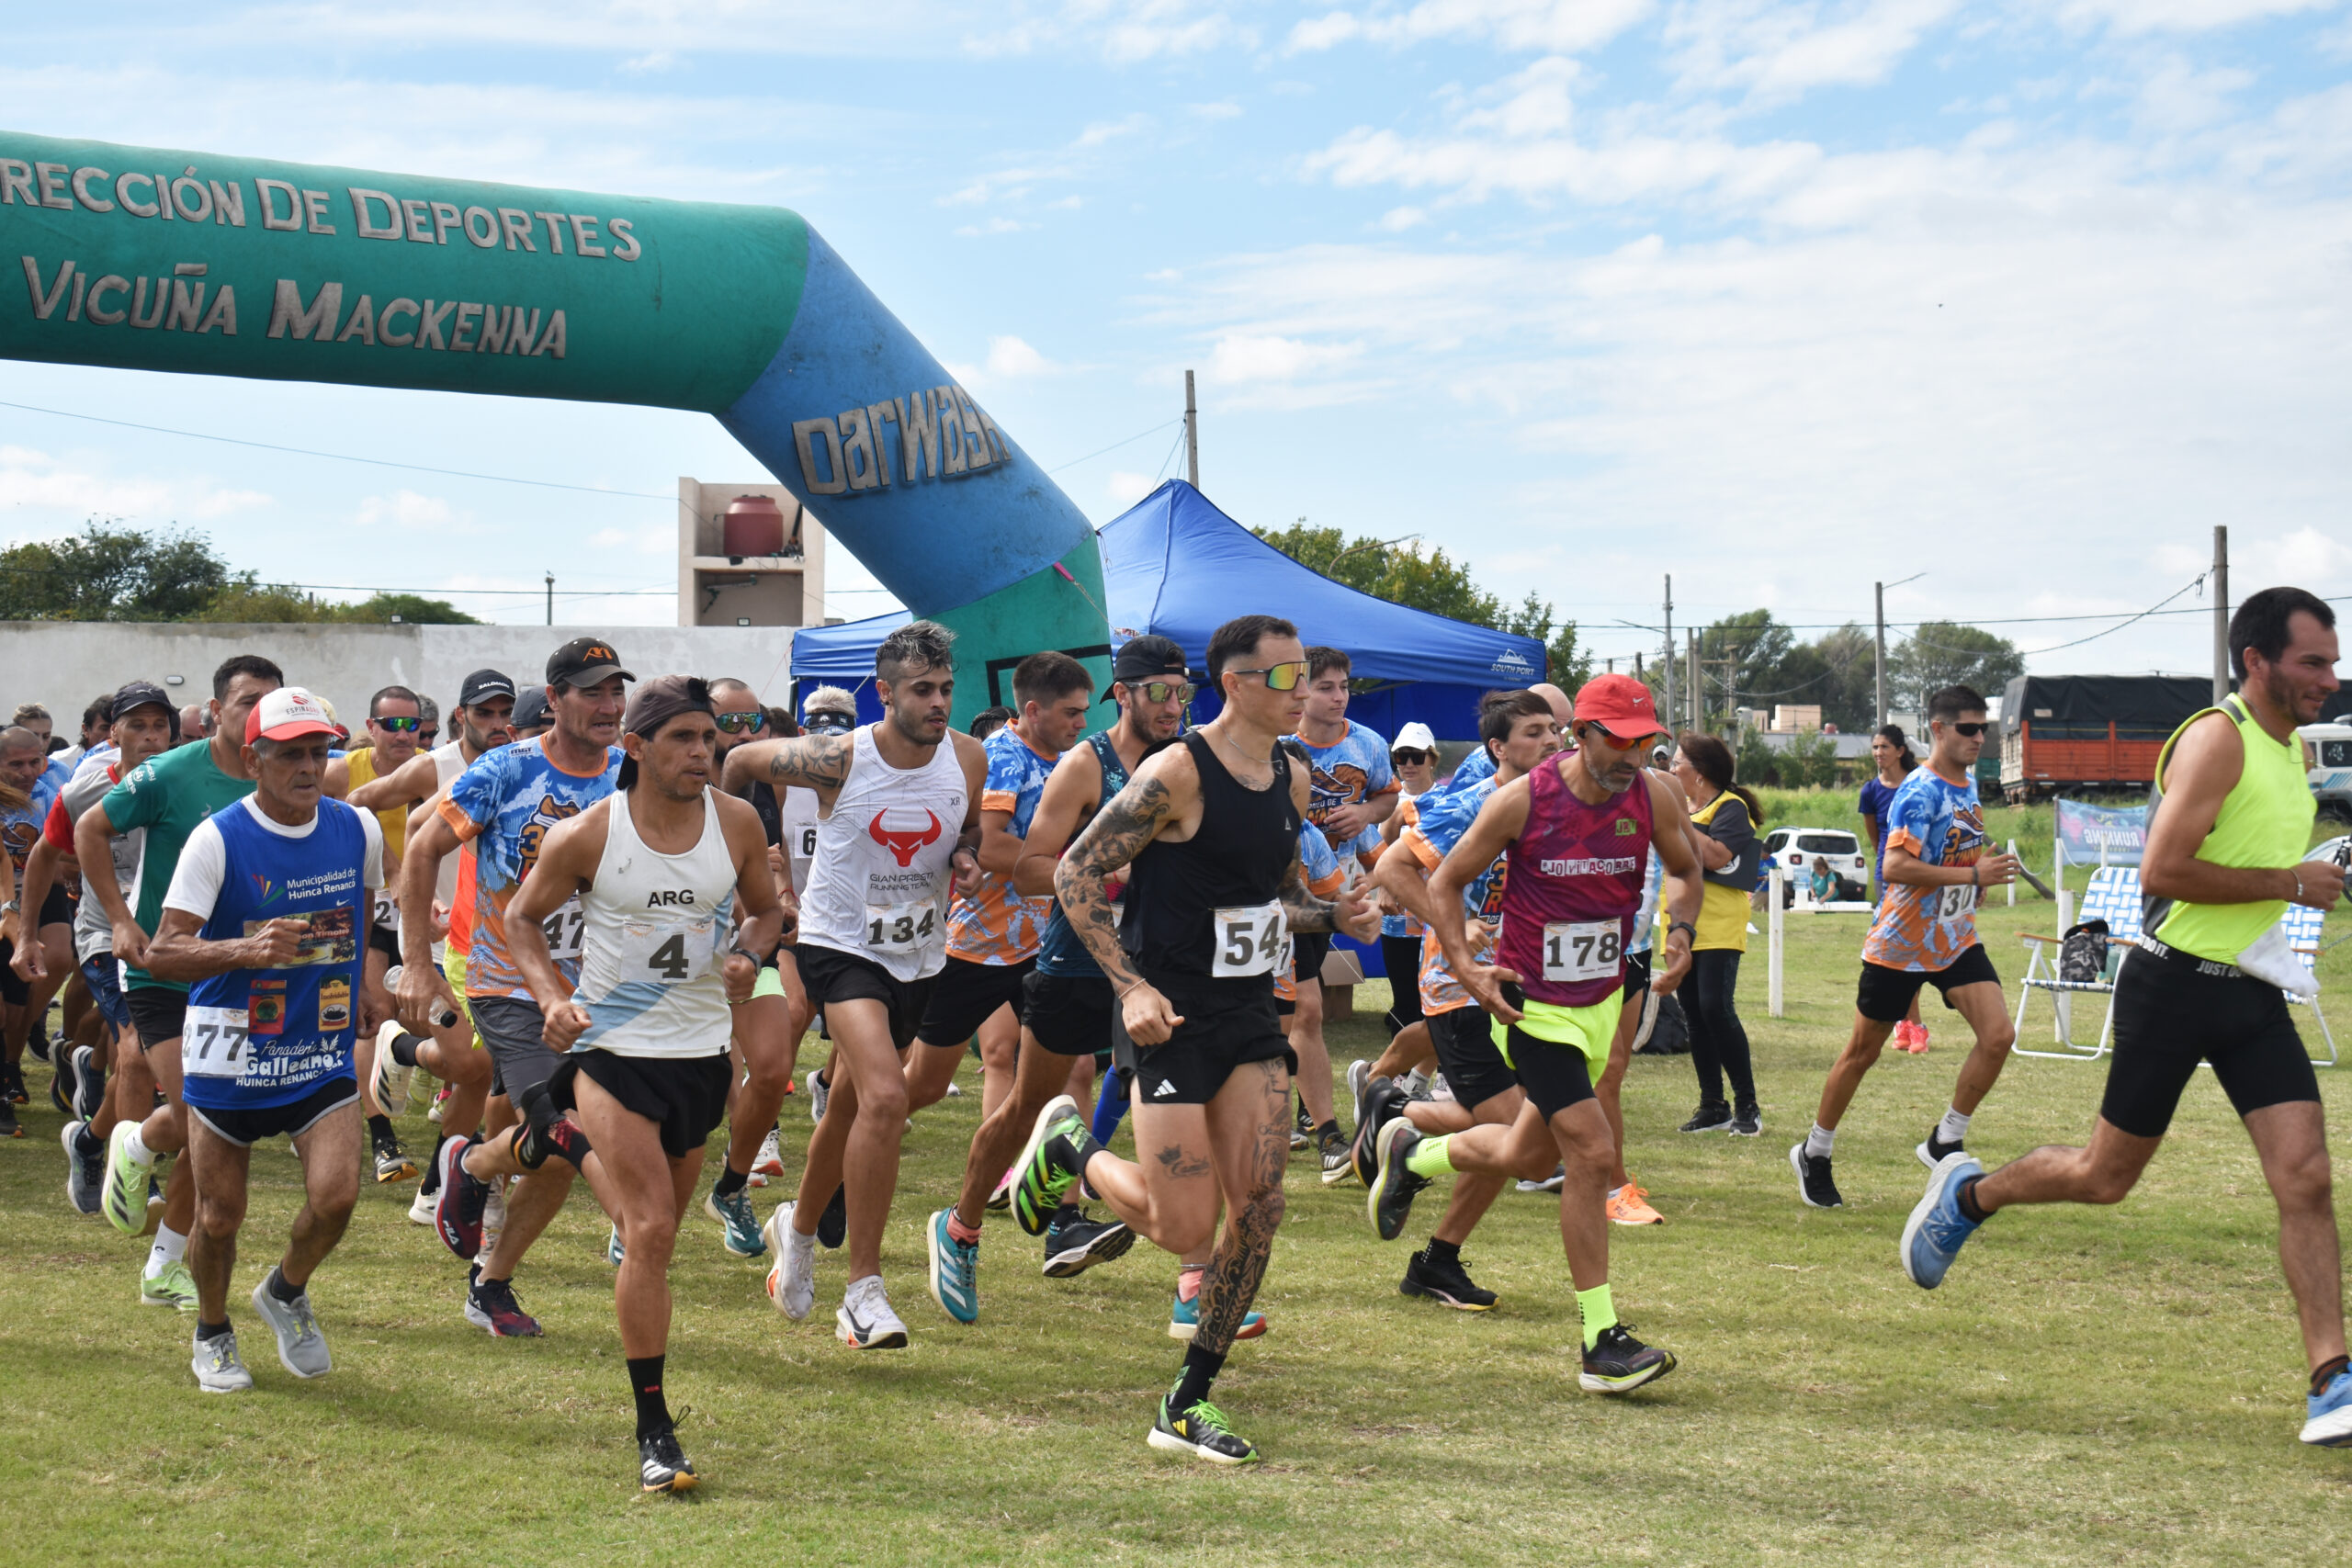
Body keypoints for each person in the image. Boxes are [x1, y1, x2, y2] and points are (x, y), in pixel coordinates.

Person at [1903, 589, 2352, 1450]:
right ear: (2257, 661)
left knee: (2307, 1179)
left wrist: (2300, 874)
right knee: (2105, 1176)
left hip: (2250, 993)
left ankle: (2330, 1379)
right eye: (2313, 663)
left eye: (2332, 661)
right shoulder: (2218, 739)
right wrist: (2290, 883)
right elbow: (2167, 868)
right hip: (2172, 986)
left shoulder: (2289, 749)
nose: (2330, 678)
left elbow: (2252, 854)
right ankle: (1971, 1191)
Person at [1014, 614, 1380, 1465]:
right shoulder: (1178, 772)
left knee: (1259, 1208)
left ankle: (1187, 1399)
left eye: (1308, 676)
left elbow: (1268, 901)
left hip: (1251, 1016)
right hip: (1168, 1017)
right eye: (1285, 678)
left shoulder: (1291, 776)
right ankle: (1070, 1144)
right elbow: (1073, 870)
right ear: (1237, 684)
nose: (1304, 693)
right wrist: (1130, 985)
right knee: (1185, 1222)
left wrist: (1333, 914)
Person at [1365, 672, 1703, 1396]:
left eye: (1646, 743)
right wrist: (1466, 964)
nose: (1633, 757)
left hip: (1601, 997)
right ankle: (1600, 1337)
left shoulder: (1653, 794)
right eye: (1619, 742)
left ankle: (1413, 1150)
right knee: (1591, 1150)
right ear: (1580, 733)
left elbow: (1683, 867)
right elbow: (1447, 882)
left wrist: (1684, 930)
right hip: (1531, 1004)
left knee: (1528, 1151)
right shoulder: (1519, 800)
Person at [503, 675, 785, 1492]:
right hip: (613, 1049)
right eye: (685, 739)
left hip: (701, 1058)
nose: (704, 752)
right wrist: (553, 997)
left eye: (709, 737)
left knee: (651, 1235)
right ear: (635, 747)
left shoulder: (735, 822)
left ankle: (546, 1134)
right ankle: (655, 1428)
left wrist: (751, 955)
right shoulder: (590, 834)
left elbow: (768, 912)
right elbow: (521, 918)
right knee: (652, 1227)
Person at [729, 620, 985, 1348]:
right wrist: (739, 859)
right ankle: (864, 1291)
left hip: (918, 956)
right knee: (884, 1094)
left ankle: (798, 1230)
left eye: (945, 689)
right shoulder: (838, 756)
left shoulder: (967, 757)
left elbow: (964, 833)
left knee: (846, 1106)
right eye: (922, 690)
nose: (938, 703)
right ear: (886, 693)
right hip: (839, 945)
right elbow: (742, 757)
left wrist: (964, 857)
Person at [143, 687, 384, 1393]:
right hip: (232, 1049)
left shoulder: (356, 828)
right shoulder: (217, 837)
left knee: (337, 1197)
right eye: (291, 755)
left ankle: (284, 1289)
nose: (310, 767)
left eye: (320, 751)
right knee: (219, 1218)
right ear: (254, 759)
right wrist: (246, 953)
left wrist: (369, 979)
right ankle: (212, 1330)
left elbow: (362, 911)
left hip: (320, 1045)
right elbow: (162, 952)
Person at [943, 637, 1189, 1309]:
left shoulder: (1191, 759)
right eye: (1159, 693)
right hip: (1075, 963)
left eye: (1183, 693)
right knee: (1026, 1103)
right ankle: (961, 1227)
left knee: (1182, 1103)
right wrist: (1110, 870)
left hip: (1163, 969)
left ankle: (1180, 1273)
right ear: (1127, 694)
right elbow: (1025, 865)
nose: (1173, 707)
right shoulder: (1086, 765)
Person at [398, 639, 632, 1340]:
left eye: (616, 691)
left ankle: (486, 1253)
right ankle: (471, 1165)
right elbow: (420, 846)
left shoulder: (631, 771)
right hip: (507, 983)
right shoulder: (505, 770)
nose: (609, 705)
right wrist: (416, 959)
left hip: (599, 988)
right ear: (555, 699)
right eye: (591, 691)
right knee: (570, 1131)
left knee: (558, 1151)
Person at [86, 655, 282, 1312]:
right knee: (204, 1112)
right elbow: (89, 828)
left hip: (231, 966)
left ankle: (163, 1260)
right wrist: (117, 919)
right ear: (215, 708)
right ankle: (138, 1138)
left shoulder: (282, 773)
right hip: (159, 965)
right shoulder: (172, 771)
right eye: (247, 701)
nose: (257, 714)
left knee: (220, 1125)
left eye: (268, 703)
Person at [1364, 690, 1564, 1308]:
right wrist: (1453, 930)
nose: (1552, 742)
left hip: (1525, 984)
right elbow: (1393, 869)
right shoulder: (1478, 802)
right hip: (1460, 989)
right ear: (1498, 749)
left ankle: (1435, 1251)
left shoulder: (1558, 803)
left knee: (1530, 1135)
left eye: (1555, 729)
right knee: (1520, 1142)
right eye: (1535, 732)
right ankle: (1411, 1144)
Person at [1792, 687, 2020, 1210]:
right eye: (1968, 729)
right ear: (1938, 730)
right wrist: (1969, 872)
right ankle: (1815, 1151)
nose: (1979, 738)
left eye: (1982, 728)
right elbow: (1894, 867)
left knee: (1999, 1034)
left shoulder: (1969, 783)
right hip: (1900, 943)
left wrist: (1977, 873)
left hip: (1954, 936)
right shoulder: (1918, 791)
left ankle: (1945, 1140)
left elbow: (1959, 842)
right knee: (1861, 1054)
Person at [348, 670, 514, 1222]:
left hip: (491, 935)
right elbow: (358, 802)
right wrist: (394, 872)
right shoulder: (434, 766)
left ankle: (438, 1185)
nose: (496, 724)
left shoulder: (517, 764)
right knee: (474, 1064)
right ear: (459, 716)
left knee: (477, 1070)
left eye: (503, 714)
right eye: (484, 713)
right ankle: (400, 1047)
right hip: (435, 928)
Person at [906, 652, 1096, 1133]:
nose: (1082, 721)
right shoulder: (1005, 755)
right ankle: (852, 1134)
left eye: (1084, 710)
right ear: (1033, 711)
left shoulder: (1072, 762)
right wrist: (1075, 873)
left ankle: (1062, 1204)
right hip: (978, 950)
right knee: (925, 1086)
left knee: (1076, 1068)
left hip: (1044, 946)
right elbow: (988, 845)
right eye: (1071, 711)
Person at [28, 683, 175, 1209]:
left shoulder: (186, 781)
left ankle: (90, 1141)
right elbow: (45, 855)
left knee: (147, 1062)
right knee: (137, 1052)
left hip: (176, 939)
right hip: (104, 937)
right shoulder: (86, 788)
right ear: (113, 733)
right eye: (138, 726)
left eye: (160, 726)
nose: (151, 737)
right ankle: (135, 1173)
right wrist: (26, 934)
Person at [698, 677, 809, 1253]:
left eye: (753, 722)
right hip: (676, 960)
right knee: (693, 1090)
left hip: (750, 945)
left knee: (769, 1069)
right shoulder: (670, 786)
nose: (742, 733)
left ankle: (732, 1185)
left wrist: (779, 892)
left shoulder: (767, 784)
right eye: (729, 722)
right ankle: (628, 1218)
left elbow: (773, 861)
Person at [1284, 646, 1399, 1165]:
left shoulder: (1370, 743)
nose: (1338, 697)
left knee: (1301, 1008)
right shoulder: (1279, 741)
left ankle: (1313, 1112)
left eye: (1345, 686)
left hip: (1333, 884)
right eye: (1326, 686)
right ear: (1301, 689)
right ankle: (1310, 1118)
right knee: (1293, 1009)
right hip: (1268, 890)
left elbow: (1388, 800)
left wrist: (1362, 812)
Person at [325, 684, 428, 1185]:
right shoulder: (342, 771)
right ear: (372, 728)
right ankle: (382, 1138)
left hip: (419, 909)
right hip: (362, 905)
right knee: (374, 1011)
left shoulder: (432, 769)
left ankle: (404, 1060)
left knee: (424, 1016)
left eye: (413, 725)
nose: (404, 735)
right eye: (393, 724)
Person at [1668, 732, 1763, 1136]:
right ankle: (1712, 1104)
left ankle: (1747, 1105)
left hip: (1720, 922)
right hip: (1678, 922)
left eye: (1677, 763)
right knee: (1693, 1012)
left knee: (1715, 1007)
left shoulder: (1732, 808)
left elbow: (1716, 855)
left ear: (1700, 772)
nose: (1671, 770)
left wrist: (1675, 818)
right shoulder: (1682, 808)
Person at [0, 726, 71, 1119]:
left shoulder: (55, 788)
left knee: (58, 958)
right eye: (16, 764)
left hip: (40, 888)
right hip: (5, 894)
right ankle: (10, 1062)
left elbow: (64, 852)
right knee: (10, 991)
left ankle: (21, 1035)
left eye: (35, 761)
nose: (28, 771)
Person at [1860, 723, 1928, 1051]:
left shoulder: (1918, 784)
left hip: (1920, 871)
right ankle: (1909, 1025)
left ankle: (1914, 1025)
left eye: (1884, 747)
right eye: (1874, 747)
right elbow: (1876, 837)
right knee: (1895, 951)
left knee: (1913, 948)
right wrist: (1888, 863)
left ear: (1900, 751)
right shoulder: (1870, 791)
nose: (1878, 753)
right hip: (1887, 874)